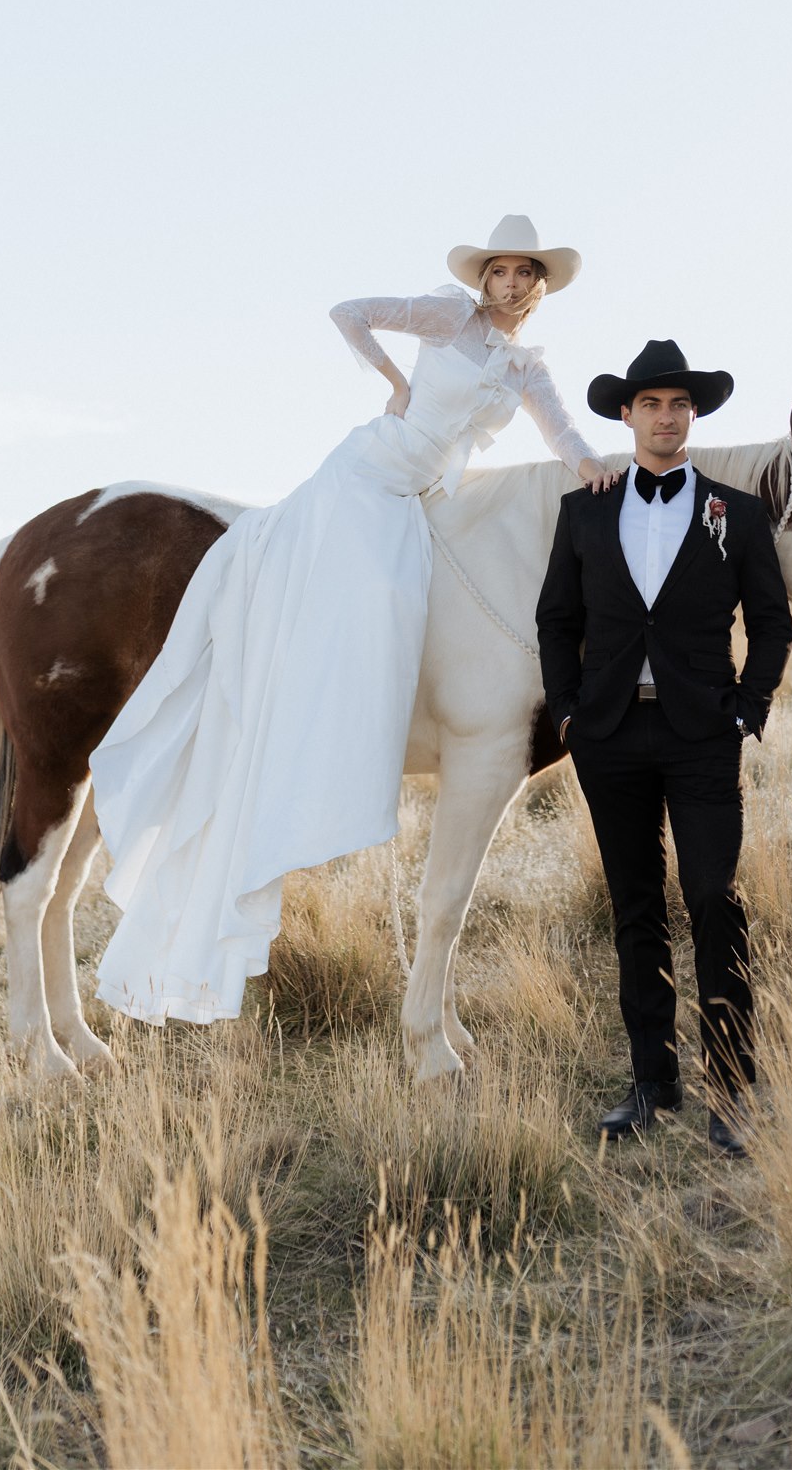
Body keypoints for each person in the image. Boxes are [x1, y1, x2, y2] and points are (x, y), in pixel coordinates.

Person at [88, 215, 612, 1025]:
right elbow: (348, 311)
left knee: (420, 592)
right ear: (484, 279)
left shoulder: (525, 366)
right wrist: (394, 387)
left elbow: (565, 432)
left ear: (539, 287)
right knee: (373, 588)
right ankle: (311, 697)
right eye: (499, 270)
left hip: (425, 495)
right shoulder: (448, 317)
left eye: (524, 273)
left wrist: (595, 471)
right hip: (371, 475)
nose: (509, 283)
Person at [535, 340, 792, 1155]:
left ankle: (732, 1093)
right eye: (651, 404)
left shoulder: (735, 514)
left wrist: (746, 711)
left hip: (702, 737)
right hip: (608, 735)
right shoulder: (585, 511)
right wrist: (570, 716)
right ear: (626, 414)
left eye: (679, 404)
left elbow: (772, 622)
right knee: (635, 909)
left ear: (694, 415)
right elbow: (556, 621)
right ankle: (652, 1084)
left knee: (715, 899)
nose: (666, 417)